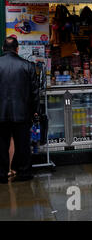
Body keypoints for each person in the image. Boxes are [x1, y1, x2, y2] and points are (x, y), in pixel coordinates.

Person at [0, 37, 40, 183]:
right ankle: (24, 173)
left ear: (3, 49)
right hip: (22, 113)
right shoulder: (27, 66)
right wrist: (35, 110)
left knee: (1, 144)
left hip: (1, 114)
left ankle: (2, 173)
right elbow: (35, 92)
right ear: (17, 50)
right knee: (23, 144)